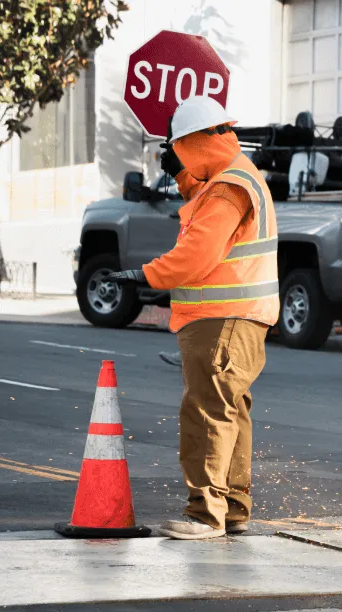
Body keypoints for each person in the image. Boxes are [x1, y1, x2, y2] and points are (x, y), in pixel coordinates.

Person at [106, 96, 279, 539]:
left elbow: (196, 253)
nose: (177, 155)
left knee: (206, 413)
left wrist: (145, 274)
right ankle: (232, 506)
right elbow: (205, 208)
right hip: (238, 318)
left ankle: (206, 513)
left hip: (221, 319)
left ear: (196, 142)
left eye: (179, 147)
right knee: (229, 410)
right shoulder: (232, 176)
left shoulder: (227, 187)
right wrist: (183, 175)